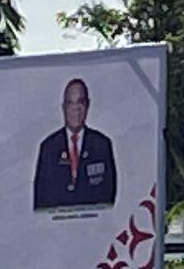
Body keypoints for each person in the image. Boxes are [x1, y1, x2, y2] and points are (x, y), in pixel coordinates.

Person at [31, 75, 120, 213]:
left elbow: (109, 196)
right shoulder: (49, 147)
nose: (76, 109)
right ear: (64, 108)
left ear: (87, 105)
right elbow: (41, 199)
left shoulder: (101, 145)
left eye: (80, 102)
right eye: (70, 103)